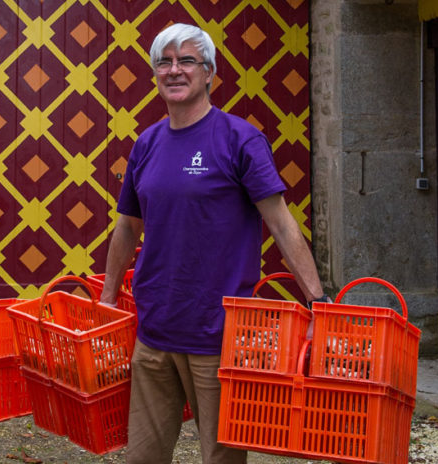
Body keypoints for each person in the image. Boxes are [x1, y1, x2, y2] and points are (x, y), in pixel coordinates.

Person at [99, 23, 327, 464]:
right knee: (141, 457)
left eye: (187, 60)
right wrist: (108, 296)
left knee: (221, 458)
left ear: (209, 73)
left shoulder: (240, 139)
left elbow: (281, 223)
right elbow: (127, 227)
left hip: (219, 336)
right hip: (155, 332)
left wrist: (318, 300)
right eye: (164, 62)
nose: (174, 70)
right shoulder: (146, 144)